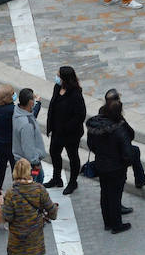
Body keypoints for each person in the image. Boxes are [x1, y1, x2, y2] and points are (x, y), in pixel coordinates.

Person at [2, 159, 57, 255]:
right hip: (35, 231)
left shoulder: (11, 193)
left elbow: (7, 216)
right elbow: (51, 208)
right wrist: (52, 215)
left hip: (18, 234)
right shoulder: (39, 188)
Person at [86, 98, 134, 234]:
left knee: (105, 193)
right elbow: (127, 152)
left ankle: (107, 222)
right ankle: (117, 225)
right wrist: (124, 163)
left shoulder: (95, 126)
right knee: (115, 196)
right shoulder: (119, 129)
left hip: (101, 164)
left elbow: (91, 145)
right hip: (116, 167)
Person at [45, 66, 86, 194]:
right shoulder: (57, 88)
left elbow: (80, 116)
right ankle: (56, 178)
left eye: (58, 75)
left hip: (70, 134)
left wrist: (66, 128)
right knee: (54, 152)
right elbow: (52, 106)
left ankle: (73, 182)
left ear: (65, 79)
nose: (56, 77)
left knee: (73, 156)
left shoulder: (76, 94)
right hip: (57, 131)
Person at [12, 87, 47, 183]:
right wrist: (36, 163)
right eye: (33, 99)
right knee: (35, 182)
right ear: (30, 103)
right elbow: (28, 147)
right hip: (30, 164)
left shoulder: (17, 111)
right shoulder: (26, 124)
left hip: (24, 161)